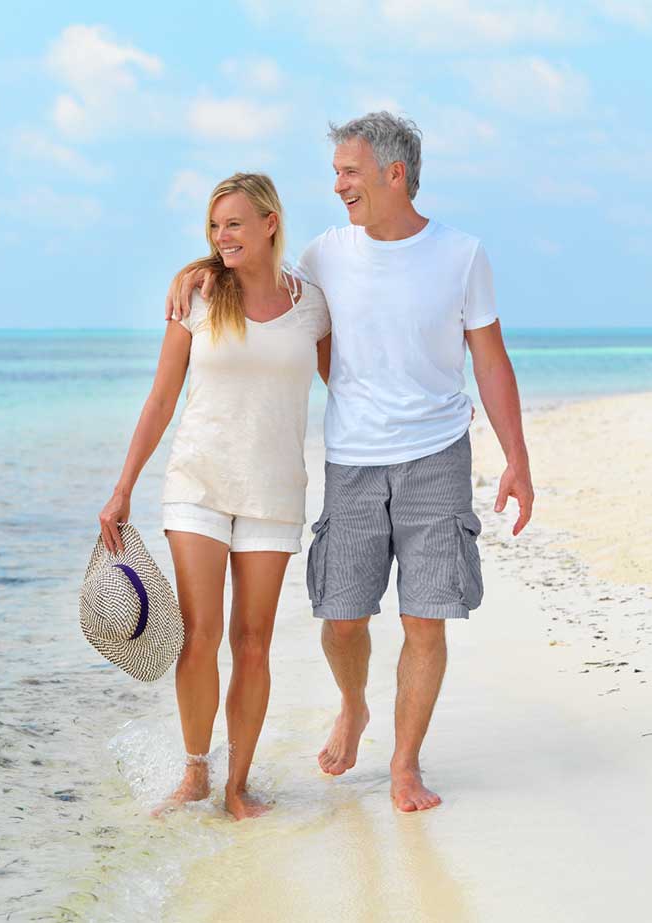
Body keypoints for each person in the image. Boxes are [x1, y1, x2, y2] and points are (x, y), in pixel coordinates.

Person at [167, 112, 533, 813]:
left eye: (349, 172)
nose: (337, 186)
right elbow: (257, 279)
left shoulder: (462, 255)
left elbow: (490, 358)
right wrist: (196, 267)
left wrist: (515, 456)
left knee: (426, 618)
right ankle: (354, 703)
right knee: (342, 618)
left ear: (395, 174)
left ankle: (403, 765)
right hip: (353, 460)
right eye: (336, 172)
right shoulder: (325, 255)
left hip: (436, 456)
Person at [100, 173, 331, 820]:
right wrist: (123, 488)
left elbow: (349, 385)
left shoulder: (313, 304)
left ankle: (239, 785)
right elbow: (161, 398)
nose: (221, 236)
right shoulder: (198, 297)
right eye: (213, 226)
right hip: (197, 482)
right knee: (200, 635)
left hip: (273, 491)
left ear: (269, 224)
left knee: (252, 640)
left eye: (233, 223)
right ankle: (196, 771)